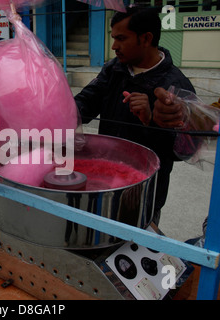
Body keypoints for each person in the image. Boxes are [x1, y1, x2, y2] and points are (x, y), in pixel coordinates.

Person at [74, 6, 195, 225]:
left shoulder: (175, 86)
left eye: (121, 38)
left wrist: (150, 121)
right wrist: (59, 111)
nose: (114, 46)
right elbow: (87, 102)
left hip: (142, 197)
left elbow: (184, 149)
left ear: (146, 38)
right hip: (103, 183)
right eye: (113, 38)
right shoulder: (114, 69)